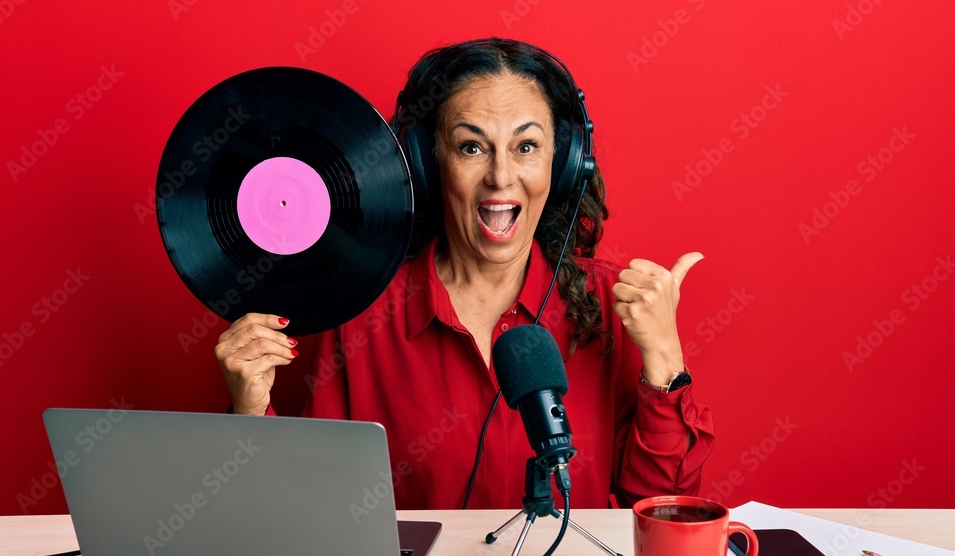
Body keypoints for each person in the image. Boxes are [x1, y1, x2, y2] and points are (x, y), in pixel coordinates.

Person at [215, 38, 715, 510]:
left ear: (561, 165)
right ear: (430, 165)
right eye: (471, 147)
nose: (500, 176)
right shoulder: (363, 312)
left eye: (526, 147)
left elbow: (656, 515)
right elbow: (314, 514)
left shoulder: (612, 303)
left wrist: (665, 358)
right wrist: (252, 412)